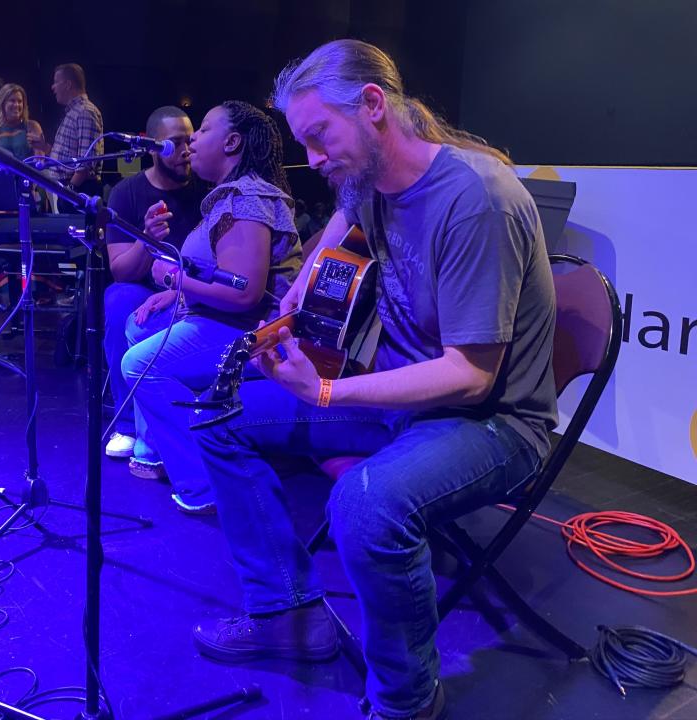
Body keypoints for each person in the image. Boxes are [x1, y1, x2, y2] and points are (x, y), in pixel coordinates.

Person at [189, 40, 557, 720]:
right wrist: (297, 293)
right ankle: (288, 616)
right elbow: (341, 217)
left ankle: (405, 701)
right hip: (407, 397)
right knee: (218, 417)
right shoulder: (370, 178)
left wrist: (325, 392)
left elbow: (472, 377)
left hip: (495, 424)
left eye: (321, 138)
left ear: (372, 105)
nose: (317, 160)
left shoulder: (478, 199)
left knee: (365, 503)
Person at [120, 101, 301, 513]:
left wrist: (174, 280)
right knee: (140, 326)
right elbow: (221, 274)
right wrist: (181, 293)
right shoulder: (230, 197)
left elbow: (244, 294)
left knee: (138, 364)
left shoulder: (245, 198)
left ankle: (204, 484)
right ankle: (156, 449)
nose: (193, 141)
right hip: (223, 319)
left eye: (203, 129)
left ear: (233, 142)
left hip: (249, 332)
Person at [102, 106, 206, 461]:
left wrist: (180, 290)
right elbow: (120, 270)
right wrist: (146, 238)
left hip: (194, 288)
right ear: (152, 147)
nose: (186, 151)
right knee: (118, 302)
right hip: (144, 289)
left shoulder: (207, 189)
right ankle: (128, 424)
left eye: (190, 141)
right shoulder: (126, 194)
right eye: (176, 143)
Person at [30, 63, 103, 196]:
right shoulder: (74, 112)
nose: (53, 87)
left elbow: (86, 163)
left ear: (68, 84)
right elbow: (69, 157)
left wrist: (70, 190)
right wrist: (45, 147)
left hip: (78, 190)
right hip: (67, 187)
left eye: (56, 82)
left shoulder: (85, 112)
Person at [0, 83, 44, 160]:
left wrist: (39, 148)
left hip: (27, 171)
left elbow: (40, 160)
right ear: (3, 103)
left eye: (20, 101)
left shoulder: (32, 126)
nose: (16, 105)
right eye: (12, 101)